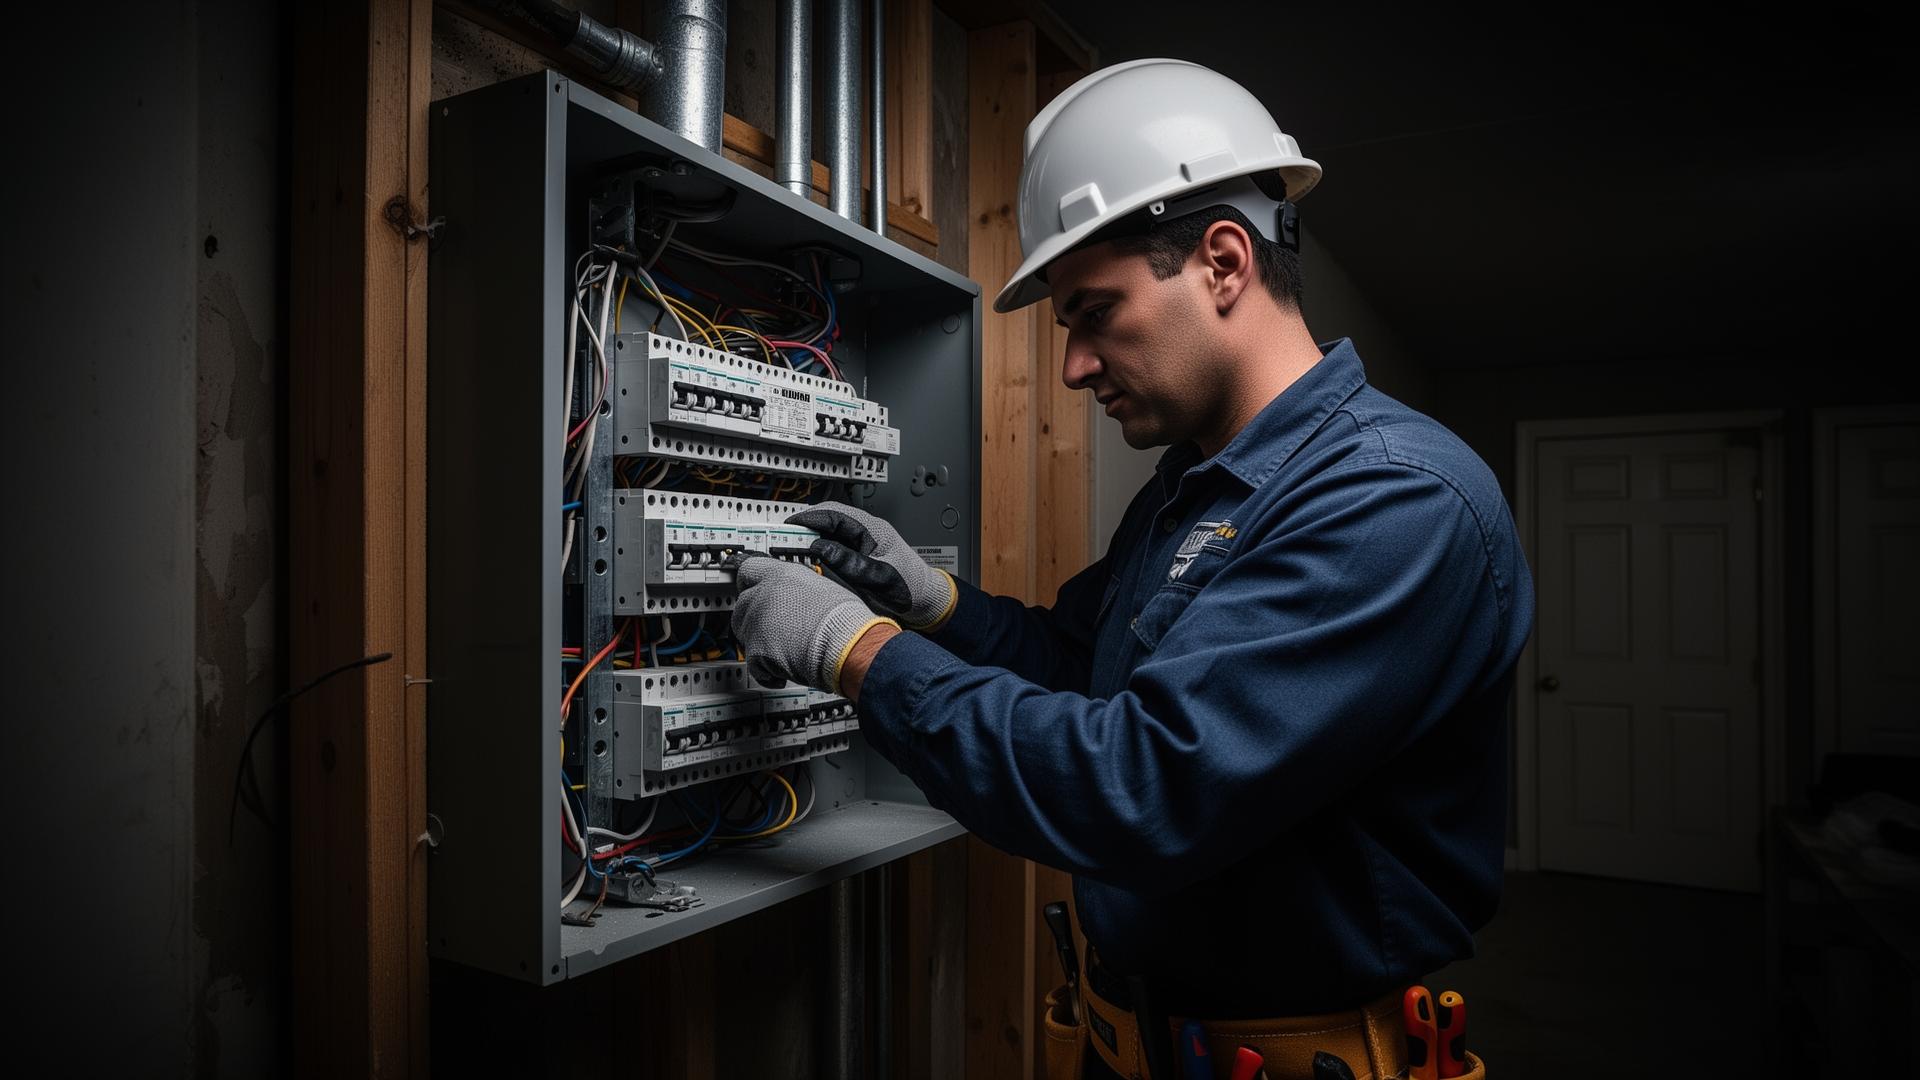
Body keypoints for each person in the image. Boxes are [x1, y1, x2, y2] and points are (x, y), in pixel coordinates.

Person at [726, 58, 1530, 1079]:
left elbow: (1142, 786)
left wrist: (854, 649)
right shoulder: (1195, 484)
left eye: (1095, 312)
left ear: (1225, 262)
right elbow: (1077, 661)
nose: (1072, 367)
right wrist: (936, 606)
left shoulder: (1394, 502)